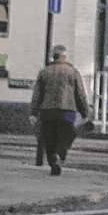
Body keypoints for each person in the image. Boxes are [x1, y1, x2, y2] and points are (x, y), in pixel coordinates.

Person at [29, 45, 91, 176]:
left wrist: (33, 112)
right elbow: (80, 94)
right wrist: (85, 112)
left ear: (53, 56)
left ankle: (53, 162)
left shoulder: (44, 71)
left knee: (49, 138)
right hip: (67, 110)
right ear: (64, 57)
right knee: (66, 136)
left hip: (47, 110)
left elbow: (37, 94)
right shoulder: (73, 72)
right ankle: (59, 155)